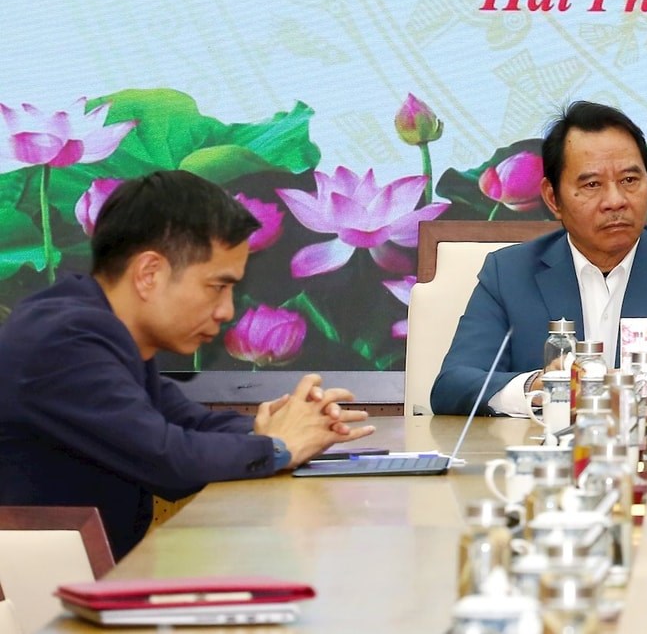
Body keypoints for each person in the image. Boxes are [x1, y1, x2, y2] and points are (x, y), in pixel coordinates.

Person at [0, 171, 373, 558]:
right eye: (217, 287)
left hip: (102, 572)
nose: (226, 311)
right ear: (149, 274)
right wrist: (279, 447)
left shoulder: (103, 329)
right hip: (45, 587)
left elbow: (189, 423)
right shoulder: (63, 339)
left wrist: (291, 425)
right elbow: (166, 458)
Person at [430, 101, 647, 415]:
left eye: (629, 180)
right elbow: (453, 385)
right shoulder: (509, 274)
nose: (615, 200)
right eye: (592, 184)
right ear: (553, 198)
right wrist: (542, 386)